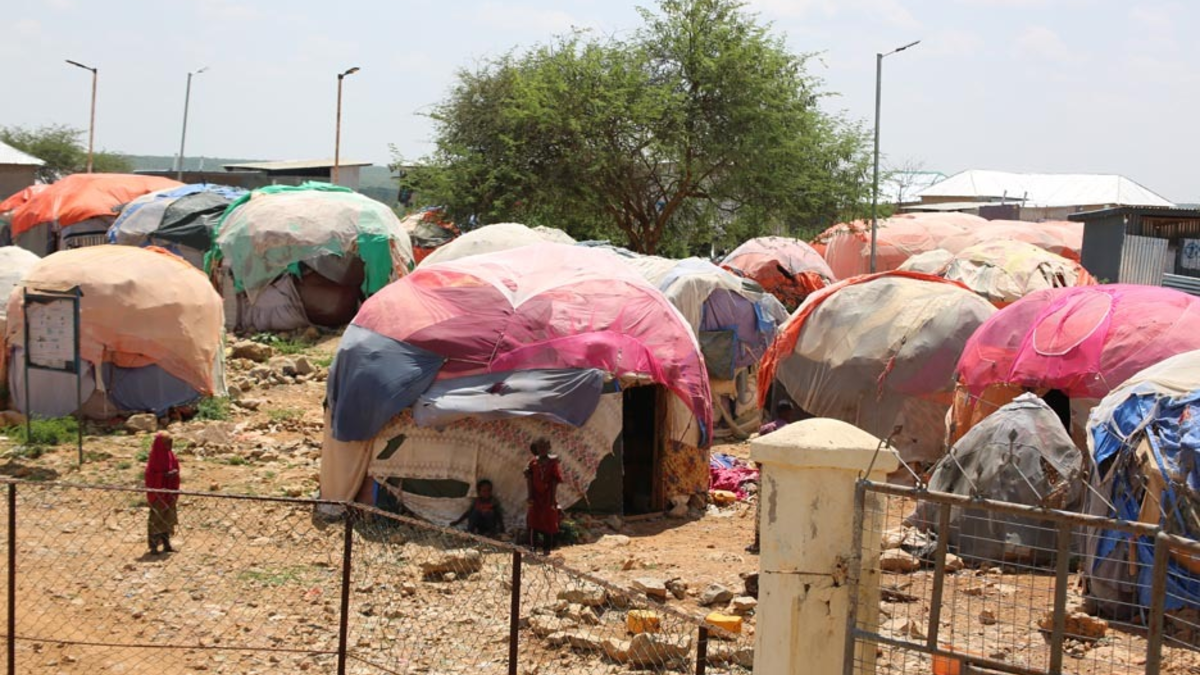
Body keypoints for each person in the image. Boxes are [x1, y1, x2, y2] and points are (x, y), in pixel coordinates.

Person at [144, 433, 181, 555]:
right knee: (156, 518)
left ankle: (166, 544)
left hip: (169, 492)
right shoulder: (155, 458)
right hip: (158, 493)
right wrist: (162, 476)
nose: (170, 446)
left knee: (167, 518)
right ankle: (154, 546)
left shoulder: (171, 456)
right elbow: (150, 476)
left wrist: (174, 473)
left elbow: (176, 467)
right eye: (167, 443)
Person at [524, 438, 563, 555]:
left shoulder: (552, 463)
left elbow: (555, 480)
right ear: (536, 448)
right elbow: (529, 478)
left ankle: (547, 548)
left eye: (544, 447)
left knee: (548, 521)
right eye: (540, 447)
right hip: (535, 496)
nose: (542, 449)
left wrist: (552, 500)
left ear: (549, 447)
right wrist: (530, 496)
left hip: (547, 496)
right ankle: (533, 547)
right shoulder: (533, 463)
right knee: (533, 521)